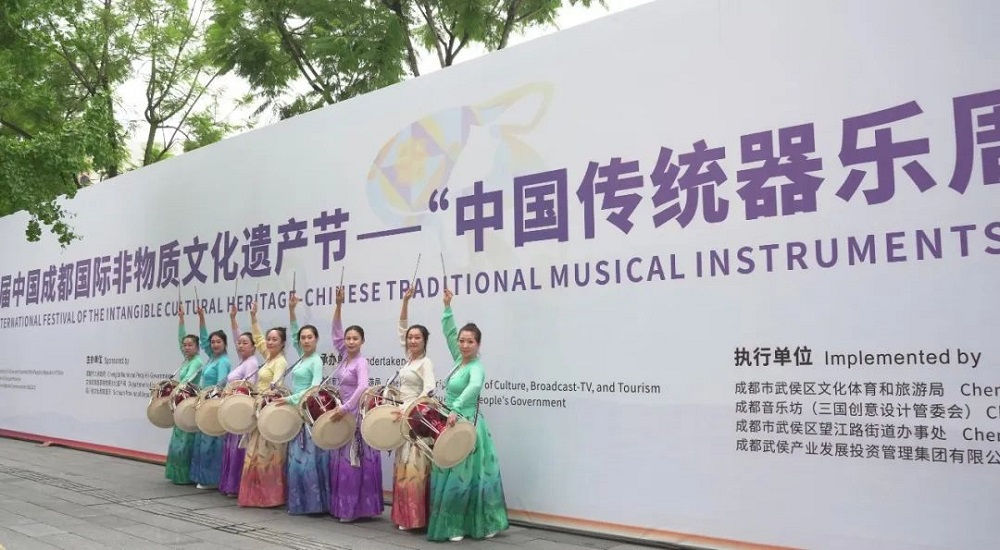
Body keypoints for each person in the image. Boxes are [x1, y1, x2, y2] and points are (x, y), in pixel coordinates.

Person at [427, 289, 509, 542]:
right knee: (449, 471)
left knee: (466, 476)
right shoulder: (458, 361)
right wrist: (447, 307)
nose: (463, 345)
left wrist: (456, 408)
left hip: (467, 424)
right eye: (462, 341)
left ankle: (482, 523)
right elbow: (449, 332)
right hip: (451, 421)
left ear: (478, 344)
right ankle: (452, 524)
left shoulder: (476, 367)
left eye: (469, 342)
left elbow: (474, 387)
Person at [328, 286, 383, 522]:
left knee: (353, 461)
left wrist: (344, 408)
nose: (350, 341)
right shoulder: (343, 356)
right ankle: (342, 506)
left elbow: (363, 387)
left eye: (355, 339)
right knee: (340, 460)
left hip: (354, 415)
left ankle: (354, 509)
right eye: (348, 338)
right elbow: (335, 331)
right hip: (342, 414)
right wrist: (339, 305)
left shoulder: (361, 362)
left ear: (362, 341)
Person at [272, 291, 330, 514]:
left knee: (307, 458)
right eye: (303, 338)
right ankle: (298, 502)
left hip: (308, 413)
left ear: (316, 340)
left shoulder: (316, 360)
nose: (305, 340)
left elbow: (314, 389)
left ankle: (314, 504)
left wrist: (289, 399)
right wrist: (292, 310)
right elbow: (295, 329)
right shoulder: (301, 357)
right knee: (295, 457)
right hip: (295, 410)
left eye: (309, 337)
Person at [392, 287, 436, 530]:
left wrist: (409, 409)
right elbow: (401, 328)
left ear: (424, 341)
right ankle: (404, 516)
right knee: (403, 465)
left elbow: (428, 390)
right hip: (402, 417)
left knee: (414, 467)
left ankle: (416, 518)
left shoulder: (425, 362)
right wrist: (405, 301)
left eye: (417, 337)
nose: (412, 340)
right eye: (410, 338)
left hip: (416, 420)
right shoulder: (409, 359)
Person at [237, 300, 288, 507]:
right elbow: (257, 339)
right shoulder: (268, 357)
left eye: (275, 339)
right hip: (259, 407)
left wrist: (264, 398)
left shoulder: (280, 362)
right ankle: (254, 494)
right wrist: (253, 317)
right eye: (269, 339)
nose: (270, 342)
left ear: (282, 343)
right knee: (254, 452)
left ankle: (269, 497)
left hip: (269, 409)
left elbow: (277, 386)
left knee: (267, 454)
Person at [218, 304, 260, 497]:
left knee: (238, 449)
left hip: (241, 410)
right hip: (233, 408)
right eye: (239, 343)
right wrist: (233, 318)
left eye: (245, 343)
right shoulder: (243, 361)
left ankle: (236, 486)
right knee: (232, 447)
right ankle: (230, 485)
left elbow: (249, 387)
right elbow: (237, 336)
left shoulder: (251, 363)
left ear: (253, 347)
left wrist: (232, 395)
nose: (240, 345)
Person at [189, 306, 232, 489]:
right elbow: (204, 340)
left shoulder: (223, 361)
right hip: (205, 401)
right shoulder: (212, 358)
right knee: (202, 441)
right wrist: (202, 318)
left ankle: (211, 480)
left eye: (218, 342)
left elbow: (221, 383)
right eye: (213, 342)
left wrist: (209, 398)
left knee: (211, 443)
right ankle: (201, 476)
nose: (214, 345)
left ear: (225, 344)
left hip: (213, 403)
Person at [165, 304, 204, 484]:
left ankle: (186, 476)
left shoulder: (197, 362)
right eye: (185, 345)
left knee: (186, 438)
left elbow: (188, 380)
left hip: (189, 402)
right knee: (178, 437)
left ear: (197, 347)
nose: (186, 347)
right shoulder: (187, 359)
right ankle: (176, 474)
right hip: (181, 400)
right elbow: (180, 338)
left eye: (190, 345)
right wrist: (181, 319)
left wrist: (175, 390)